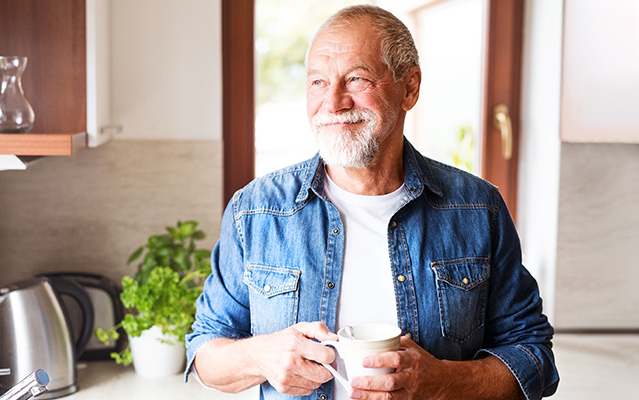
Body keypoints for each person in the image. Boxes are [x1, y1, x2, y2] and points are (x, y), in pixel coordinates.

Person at [185, 5, 559, 400]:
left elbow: (535, 358)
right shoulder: (256, 210)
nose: (333, 103)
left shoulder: (478, 209)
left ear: (409, 87)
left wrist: (442, 382)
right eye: (317, 82)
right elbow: (205, 352)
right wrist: (260, 356)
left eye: (357, 79)